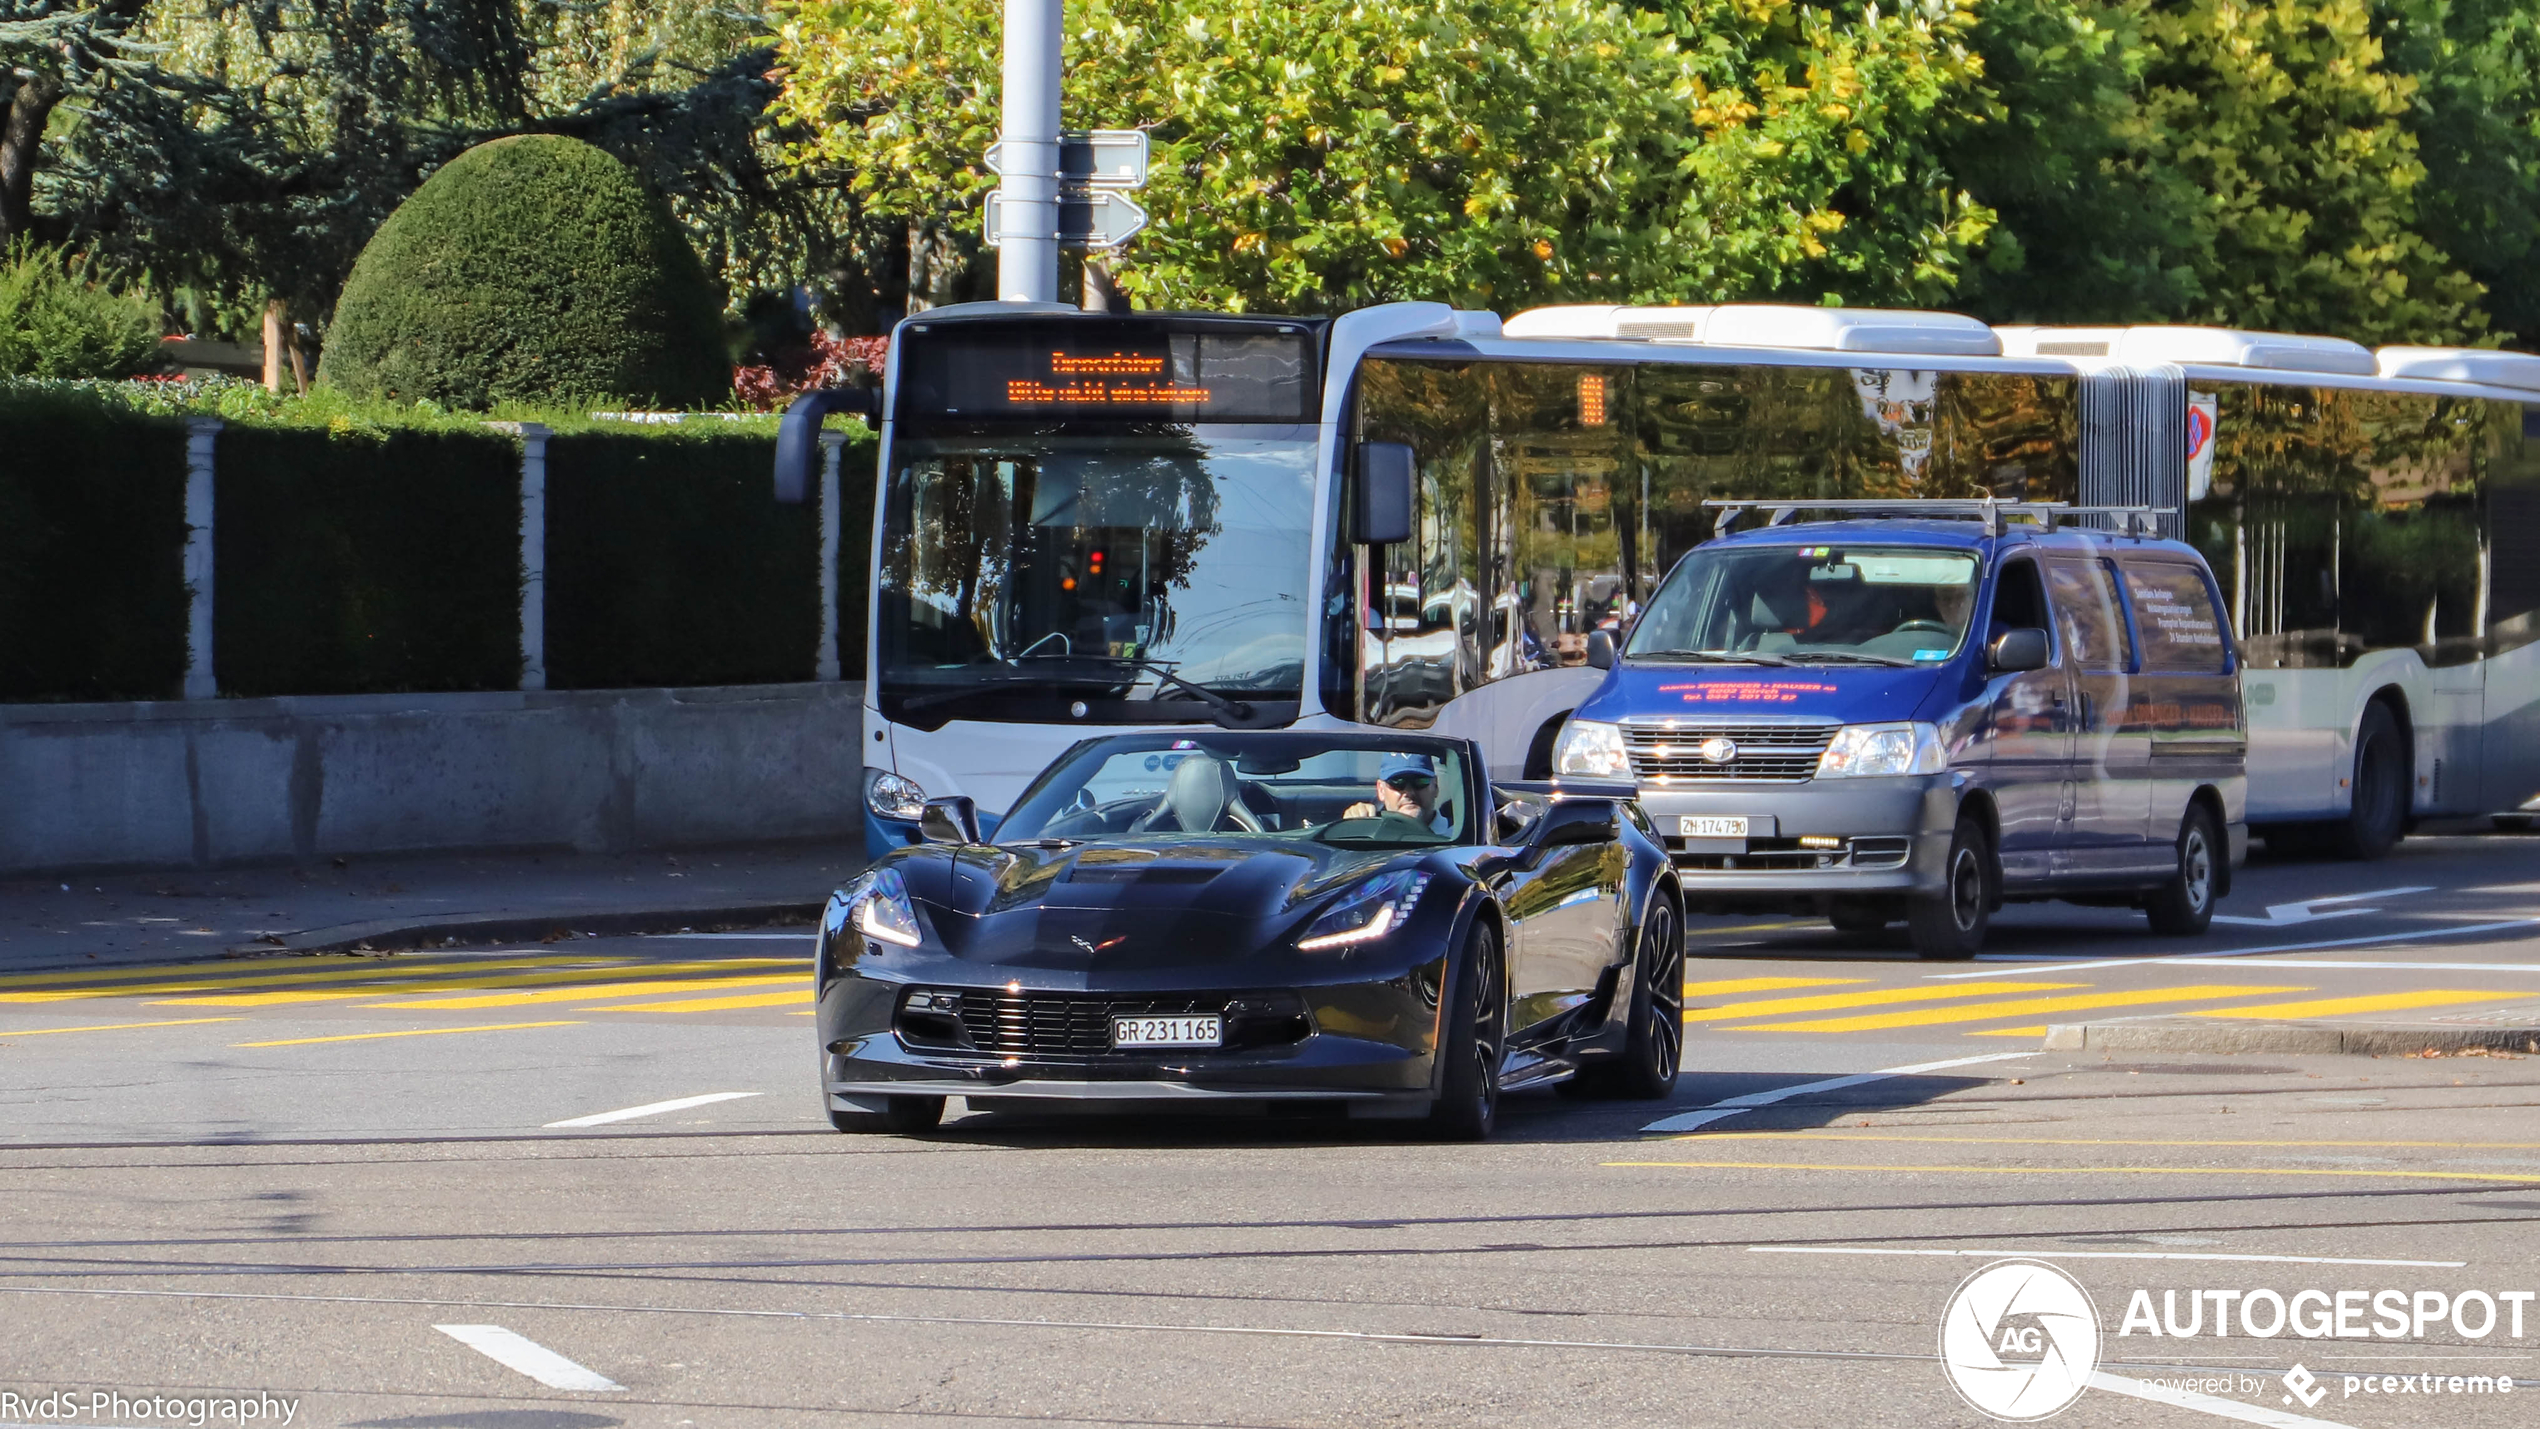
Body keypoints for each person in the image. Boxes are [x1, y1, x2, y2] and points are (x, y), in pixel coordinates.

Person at [1342, 752, 1455, 834]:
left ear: (1435, 786)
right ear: (1381, 790)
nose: (1409, 792)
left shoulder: (1459, 836)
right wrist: (1352, 826)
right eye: (1397, 782)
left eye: (1420, 781)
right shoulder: (1370, 833)